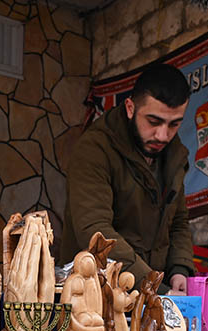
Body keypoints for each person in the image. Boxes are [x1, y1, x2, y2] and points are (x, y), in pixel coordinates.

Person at [60, 63, 194, 295]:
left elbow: (179, 221)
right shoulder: (93, 149)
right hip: (93, 294)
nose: (163, 135)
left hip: (152, 292)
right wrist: (154, 287)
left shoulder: (174, 155)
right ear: (130, 108)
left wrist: (179, 269)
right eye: (153, 122)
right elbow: (95, 233)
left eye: (174, 124)